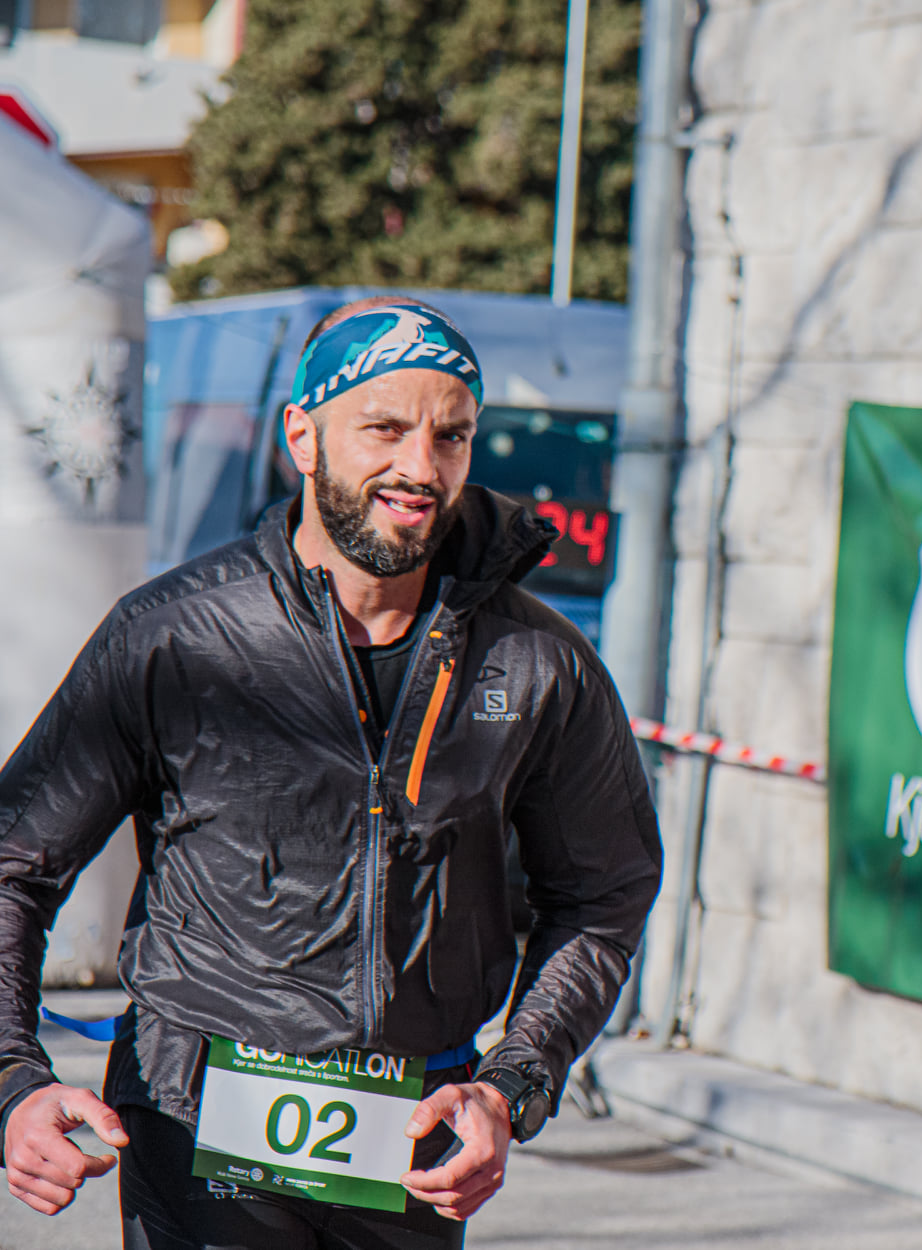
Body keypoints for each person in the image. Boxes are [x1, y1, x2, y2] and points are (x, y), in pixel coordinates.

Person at [0, 295, 663, 1249]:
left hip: (414, 1138)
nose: (421, 468)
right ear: (302, 437)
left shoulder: (537, 662)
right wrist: (15, 1080)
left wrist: (513, 1081)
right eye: (385, 429)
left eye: (451, 436)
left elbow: (604, 896)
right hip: (195, 1121)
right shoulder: (178, 636)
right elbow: (15, 863)